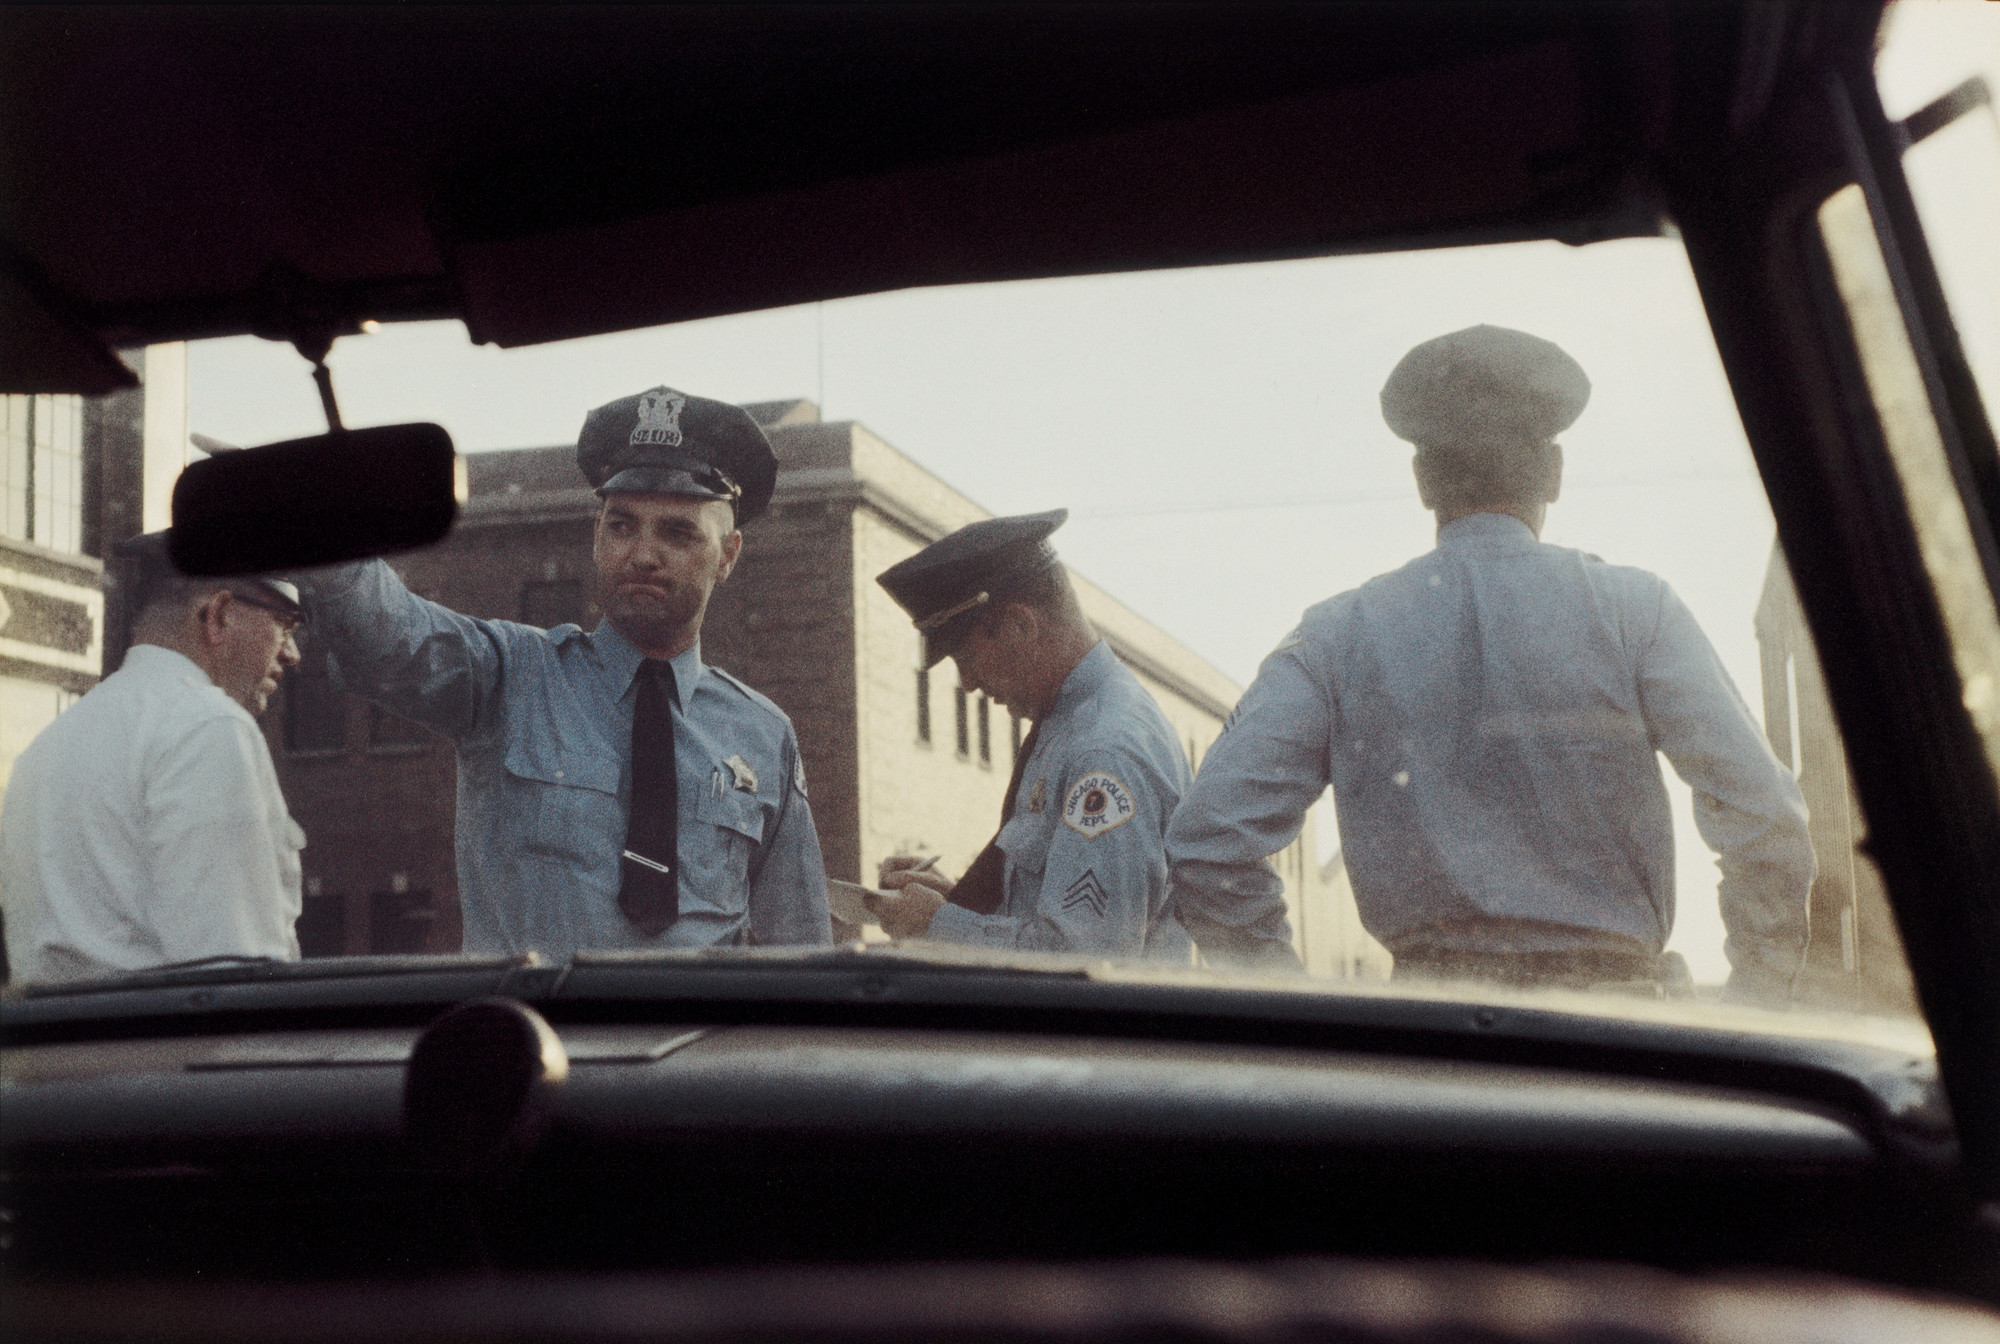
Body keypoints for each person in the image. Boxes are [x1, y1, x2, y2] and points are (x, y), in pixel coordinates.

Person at [1166, 325, 1815, 1004]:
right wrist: (1753, 1002)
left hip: (1431, 1053)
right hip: (1617, 1044)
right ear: (1555, 473)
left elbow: (1209, 843)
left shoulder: (1336, 634)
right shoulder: (1636, 611)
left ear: (1423, 482)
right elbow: (1766, 813)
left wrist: (1292, 1010)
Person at [293, 386, 831, 957]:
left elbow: (799, 946)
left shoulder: (764, 736)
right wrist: (326, 515)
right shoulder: (511, 678)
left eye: (677, 532)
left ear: (727, 555)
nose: (643, 553)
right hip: (539, 1036)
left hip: (693, 1041)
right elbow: (392, 637)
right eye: (622, 526)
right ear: (597, 538)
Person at [871, 510, 1193, 960]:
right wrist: (954, 905)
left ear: (1021, 627)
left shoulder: (1105, 752)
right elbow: (1056, 918)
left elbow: (1085, 962)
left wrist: (937, 925)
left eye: (966, 657)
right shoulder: (1072, 725)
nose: (967, 684)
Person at [1, 532, 306, 984]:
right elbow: (231, 979)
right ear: (217, 615)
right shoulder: (210, 727)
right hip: (171, 1051)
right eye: (283, 624)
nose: (292, 654)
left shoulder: (42, 750)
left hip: (51, 1050)